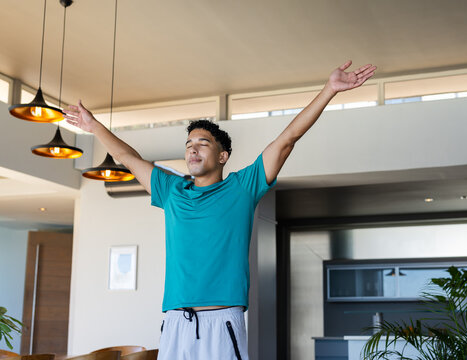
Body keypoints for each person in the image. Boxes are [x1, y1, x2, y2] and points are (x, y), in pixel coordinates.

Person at [64, 61, 376, 360]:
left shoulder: (242, 188)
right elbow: (127, 157)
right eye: (188, 144)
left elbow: (286, 140)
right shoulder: (171, 191)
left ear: (223, 155)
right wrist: (93, 126)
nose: (192, 149)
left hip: (222, 322)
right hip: (174, 323)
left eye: (202, 142)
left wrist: (329, 90)